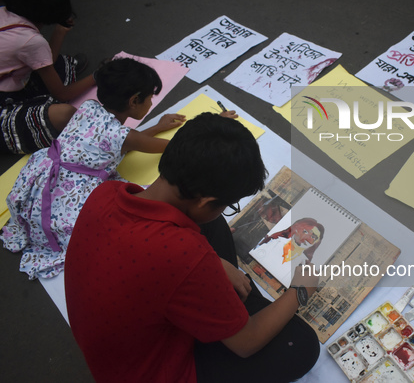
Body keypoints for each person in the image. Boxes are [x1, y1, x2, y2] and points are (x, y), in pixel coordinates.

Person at [64, 113, 320, 383]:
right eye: (228, 204)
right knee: (300, 345)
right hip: (151, 371)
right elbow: (246, 344)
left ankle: (239, 308)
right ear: (204, 200)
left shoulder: (107, 191)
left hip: (123, 337)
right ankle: (243, 311)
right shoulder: (185, 256)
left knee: (212, 225)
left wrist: (213, 263)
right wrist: (298, 292)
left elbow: (174, 253)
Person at [0, 57, 196, 280]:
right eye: (150, 98)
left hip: (40, 180)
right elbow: (172, 147)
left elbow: (126, 142)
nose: (151, 103)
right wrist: (212, 124)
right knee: (138, 207)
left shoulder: (88, 108)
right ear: (134, 100)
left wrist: (159, 126)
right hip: (67, 196)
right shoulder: (122, 135)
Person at [0, 0, 96, 154]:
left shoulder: (4, 12)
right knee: (63, 114)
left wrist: (59, 31)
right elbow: (62, 94)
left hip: (11, 82)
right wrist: (99, 75)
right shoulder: (30, 41)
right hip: (4, 104)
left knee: (54, 65)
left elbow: (45, 61)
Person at [258, 217, 325, 263]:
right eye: (305, 231)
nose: (307, 238)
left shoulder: (302, 264)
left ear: (316, 242)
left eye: (313, 237)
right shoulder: (273, 241)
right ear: (296, 229)